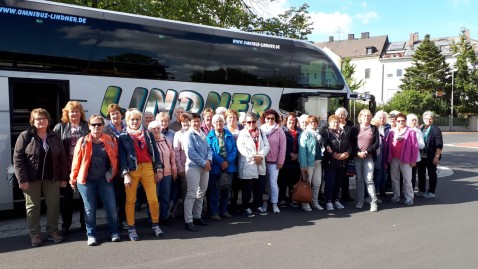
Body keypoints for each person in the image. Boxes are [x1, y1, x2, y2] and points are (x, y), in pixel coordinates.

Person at [14, 108, 67, 246]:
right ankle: (35, 234)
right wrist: (22, 179)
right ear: (33, 121)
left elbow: (62, 158)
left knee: (54, 204)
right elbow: (18, 159)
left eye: (44, 118)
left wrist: (63, 177)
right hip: (31, 178)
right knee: (32, 206)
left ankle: (52, 231)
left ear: (48, 121)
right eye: (38, 119)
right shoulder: (25, 136)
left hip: (52, 177)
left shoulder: (54, 136)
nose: (41, 121)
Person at [70, 115, 120, 246]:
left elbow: (115, 158)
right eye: (93, 124)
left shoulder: (110, 140)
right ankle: (91, 234)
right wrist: (73, 179)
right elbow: (76, 162)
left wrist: (113, 173)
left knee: (111, 208)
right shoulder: (83, 141)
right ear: (89, 126)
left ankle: (114, 232)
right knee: (89, 209)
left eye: (99, 124)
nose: (96, 127)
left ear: (103, 126)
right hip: (86, 181)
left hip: (105, 179)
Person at [118, 109, 164, 240]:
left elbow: (155, 151)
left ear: (140, 120)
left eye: (137, 119)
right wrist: (125, 173)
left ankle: (155, 225)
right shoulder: (123, 136)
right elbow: (122, 156)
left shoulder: (148, 134)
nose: (135, 121)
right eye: (132, 119)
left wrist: (159, 169)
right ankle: (131, 228)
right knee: (131, 200)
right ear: (127, 121)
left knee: (153, 199)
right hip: (132, 170)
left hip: (148, 168)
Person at [53, 101, 88, 235]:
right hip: (66, 169)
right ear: (67, 113)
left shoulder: (86, 127)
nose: (74, 114)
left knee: (84, 198)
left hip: (84, 168)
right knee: (67, 200)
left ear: (81, 113)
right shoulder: (59, 128)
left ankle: (85, 224)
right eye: (71, 111)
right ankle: (66, 225)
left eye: (77, 111)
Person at [236, 112, 270, 217]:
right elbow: (241, 148)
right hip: (248, 164)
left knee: (259, 187)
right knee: (247, 188)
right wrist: (254, 157)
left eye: (253, 122)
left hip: (260, 163)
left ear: (257, 122)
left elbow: (267, 146)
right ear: (245, 122)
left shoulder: (261, 132)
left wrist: (261, 156)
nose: (251, 124)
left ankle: (257, 206)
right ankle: (245, 208)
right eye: (249, 122)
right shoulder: (242, 133)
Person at [183, 113, 212, 231]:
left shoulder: (202, 133)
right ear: (190, 122)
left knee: (201, 193)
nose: (196, 123)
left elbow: (209, 148)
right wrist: (204, 163)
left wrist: (209, 160)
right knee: (191, 194)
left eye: (198, 121)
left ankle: (197, 217)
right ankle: (188, 220)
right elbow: (190, 152)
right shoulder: (188, 135)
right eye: (194, 121)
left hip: (205, 167)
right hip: (193, 167)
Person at [206, 114, 238, 220]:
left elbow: (234, 150)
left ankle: (224, 210)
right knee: (214, 191)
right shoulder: (209, 136)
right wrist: (220, 162)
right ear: (213, 124)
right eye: (216, 122)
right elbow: (209, 150)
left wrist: (227, 161)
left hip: (229, 167)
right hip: (215, 167)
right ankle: (214, 212)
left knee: (226, 189)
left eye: (220, 121)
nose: (218, 123)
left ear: (223, 122)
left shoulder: (229, 135)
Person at [103, 103, 128, 230]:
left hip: (126, 167)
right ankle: (112, 221)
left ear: (121, 115)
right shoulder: (105, 130)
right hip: (111, 167)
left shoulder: (127, 128)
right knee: (112, 196)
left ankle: (123, 219)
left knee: (124, 195)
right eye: (112, 114)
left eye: (117, 113)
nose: (115, 116)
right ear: (109, 116)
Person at [385, 113, 418, 205]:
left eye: (402, 121)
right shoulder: (392, 131)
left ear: (405, 121)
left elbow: (414, 147)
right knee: (394, 178)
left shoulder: (411, 132)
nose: (400, 122)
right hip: (394, 158)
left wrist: (413, 160)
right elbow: (387, 145)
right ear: (395, 121)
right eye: (398, 121)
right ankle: (396, 195)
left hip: (406, 159)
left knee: (407, 180)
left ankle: (409, 197)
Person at [350, 109, 379, 212]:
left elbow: (376, 144)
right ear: (360, 117)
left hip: (369, 157)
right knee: (359, 179)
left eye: (368, 116)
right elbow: (352, 143)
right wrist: (358, 152)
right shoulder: (355, 128)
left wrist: (366, 152)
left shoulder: (374, 128)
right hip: (357, 157)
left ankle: (373, 202)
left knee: (369, 179)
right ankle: (360, 201)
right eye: (364, 116)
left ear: (371, 117)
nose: (366, 117)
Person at [148, 121, 177, 225]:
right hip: (153, 174)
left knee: (165, 196)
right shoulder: (148, 141)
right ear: (149, 130)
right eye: (153, 129)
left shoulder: (165, 139)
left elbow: (172, 155)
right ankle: (152, 218)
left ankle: (164, 216)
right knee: (153, 198)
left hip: (167, 173)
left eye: (158, 128)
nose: (156, 130)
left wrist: (174, 167)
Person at [260, 109, 286, 213]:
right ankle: (264, 202)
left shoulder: (279, 130)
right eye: (268, 118)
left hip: (274, 161)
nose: (270, 120)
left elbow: (283, 147)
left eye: (272, 118)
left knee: (273, 183)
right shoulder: (260, 129)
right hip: (262, 161)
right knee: (263, 183)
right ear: (264, 119)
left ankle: (274, 203)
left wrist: (280, 161)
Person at [322, 115, 350, 211]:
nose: (336, 124)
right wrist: (334, 155)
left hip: (342, 162)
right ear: (329, 123)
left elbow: (349, 145)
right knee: (330, 182)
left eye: (337, 122)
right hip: (330, 162)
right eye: (334, 122)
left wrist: (347, 153)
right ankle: (328, 201)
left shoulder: (343, 133)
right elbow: (325, 147)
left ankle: (336, 200)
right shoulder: (326, 133)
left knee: (338, 182)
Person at [298, 115, 325, 211]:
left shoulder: (318, 134)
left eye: (315, 121)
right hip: (309, 163)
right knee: (307, 184)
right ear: (308, 123)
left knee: (317, 183)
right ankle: (305, 203)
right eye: (311, 122)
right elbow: (302, 150)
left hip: (318, 162)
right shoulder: (305, 134)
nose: (313, 123)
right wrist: (303, 165)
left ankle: (314, 202)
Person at [278, 112, 302, 208]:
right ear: (286, 121)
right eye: (290, 120)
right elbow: (281, 145)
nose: (292, 122)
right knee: (283, 181)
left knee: (294, 182)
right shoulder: (282, 131)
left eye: (293, 120)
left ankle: (293, 199)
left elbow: (303, 146)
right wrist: (290, 153)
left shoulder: (300, 131)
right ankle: (282, 199)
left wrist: (297, 155)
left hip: (296, 161)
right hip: (285, 160)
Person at [417, 111, 443, 198]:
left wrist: (437, 157)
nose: (428, 120)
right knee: (421, 173)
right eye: (426, 118)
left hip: (431, 156)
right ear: (423, 119)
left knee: (432, 173)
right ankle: (421, 190)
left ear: (433, 119)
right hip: (421, 156)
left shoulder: (436, 129)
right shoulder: (420, 128)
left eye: (430, 118)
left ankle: (432, 191)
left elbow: (439, 144)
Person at [171, 113, 191, 218]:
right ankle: (187, 214)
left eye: (187, 121)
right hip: (185, 167)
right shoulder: (178, 134)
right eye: (183, 121)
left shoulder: (197, 132)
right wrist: (180, 168)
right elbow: (176, 152)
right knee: (186, 192)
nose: (185, 123)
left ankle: (196, 212)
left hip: (197, 167)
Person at [224, 109, 243, 213]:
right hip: (227, 160)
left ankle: (234, 204)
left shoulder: (242, 129)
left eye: (234, 117)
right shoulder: (223, 129)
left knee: (236, 183)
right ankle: (225, 206)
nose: (232, 119)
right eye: (230, 117)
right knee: (226, 183)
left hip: (240, 160)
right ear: (226, 119)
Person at [335, 107, 354, 201]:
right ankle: (336, 196)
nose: (341, 116)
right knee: (337, 175)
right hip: (336, 154)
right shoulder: (333, 124)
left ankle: (346, 195)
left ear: (346, 115)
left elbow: (353, 139)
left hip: (347, 154)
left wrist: (348, 153)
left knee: (346, 176)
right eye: (339, 114)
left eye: (343, 114)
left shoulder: (350, 125)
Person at [372, 110, 390, 197]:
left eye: (383, 117)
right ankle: (375, 193)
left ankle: (382, 191)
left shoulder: (388, 128)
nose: (382, 119)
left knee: (383, 174)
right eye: (380, 117)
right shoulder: (373, 127)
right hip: (376, 154)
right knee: (376, 174)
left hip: (385, 153)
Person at [407, 113, 426, 189]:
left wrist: (414, 141)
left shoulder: (418, 131)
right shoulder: (404, 130)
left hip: (415, 157)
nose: (414, 122)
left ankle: (411, 191)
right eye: (412, 120)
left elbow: (422, 145)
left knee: (412, 175)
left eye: (415, 120)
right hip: (405, 156)